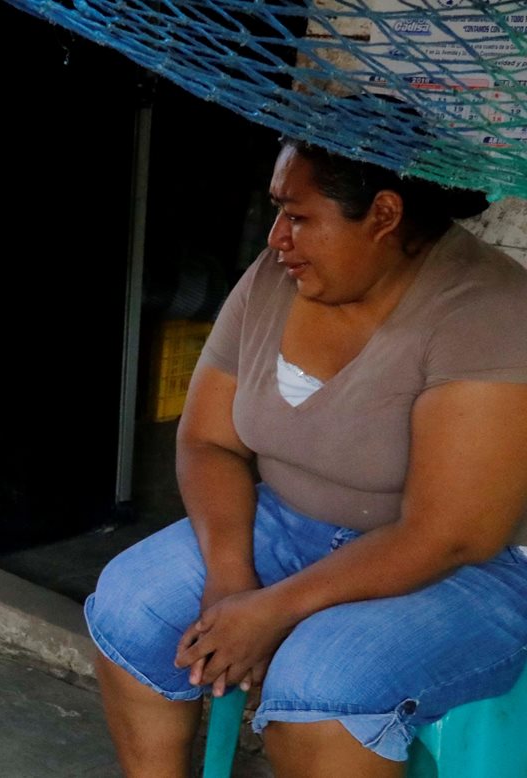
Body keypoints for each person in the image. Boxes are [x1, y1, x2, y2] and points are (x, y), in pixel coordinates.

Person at [85, 136, 527, 777]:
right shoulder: (275, 278)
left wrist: (275, 609)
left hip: (467, 568)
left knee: (320, 686)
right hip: (289, 521)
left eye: (298, 216)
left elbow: (450, 534)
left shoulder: (485, 308)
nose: (275, 238)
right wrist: (230, 575)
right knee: (132, 610)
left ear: (383, 215)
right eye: (277, 211)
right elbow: (207, 440)